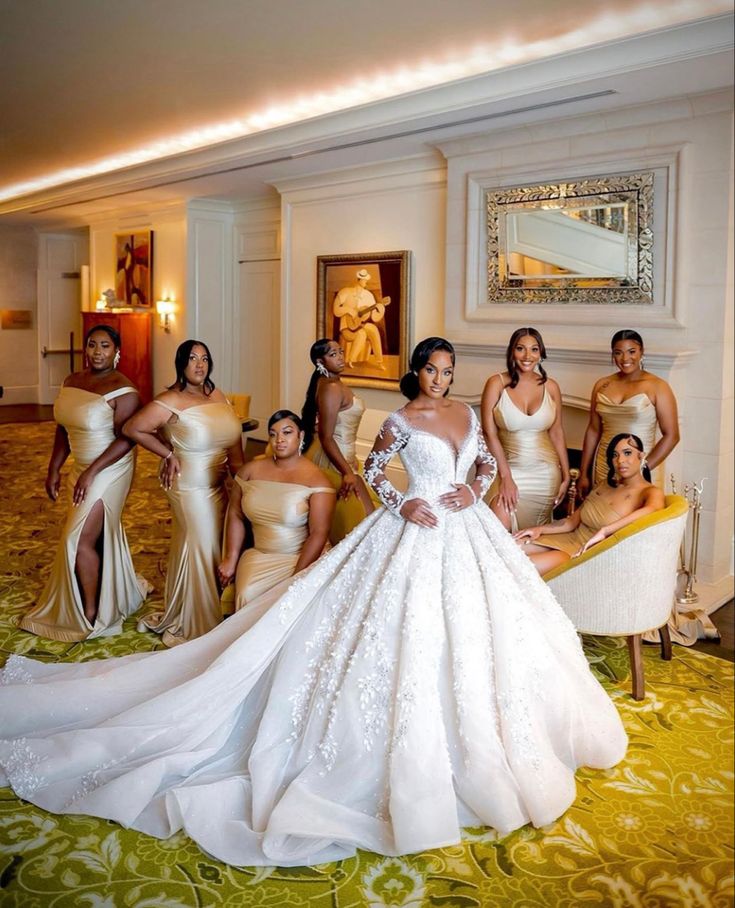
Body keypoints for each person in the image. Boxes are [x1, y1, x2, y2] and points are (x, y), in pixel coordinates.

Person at [0, 337, 627, 869]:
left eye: (448, 369)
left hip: (465, 531)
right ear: (418, 372)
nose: (442, 378)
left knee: (484, 631)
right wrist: (403, 501)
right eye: (433, 369)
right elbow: (375, 471)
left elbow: (487, 462)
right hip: (415, 527)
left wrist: (471, 489)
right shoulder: (401, 420)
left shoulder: (464, 412)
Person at [19, 325, 145, 641]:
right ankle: (108, 591)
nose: (97, 352)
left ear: (118, 352)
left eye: (105, 346)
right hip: (80, 466)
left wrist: (92, 472)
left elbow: (127, 439)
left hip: (110, 468)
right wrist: (55, 469)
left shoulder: (124, 390)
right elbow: (63, 429)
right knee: (90, 534)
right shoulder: (72, 381)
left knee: (76, 539)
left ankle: (91, 613)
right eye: (92, 345)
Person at [123, 340, 243, 646]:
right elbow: (133, 428)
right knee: (201, 545)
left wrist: (241, 479)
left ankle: (200, 606)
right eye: (192, 359)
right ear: (181, 364)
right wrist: (167, 454)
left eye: (205, 359)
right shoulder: (170, 400)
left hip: (221, 483)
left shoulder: (216, 395)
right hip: (189, 485)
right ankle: (200, 622)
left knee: (213, 545)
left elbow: (232, 437)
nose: (200, 365)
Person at [217, 410, 335, 609]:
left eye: (287, 432)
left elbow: (318, 533)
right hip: (259, 555)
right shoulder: (249, 472)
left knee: (287, 600)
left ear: (301, 436)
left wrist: (298, 576)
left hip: (300, 558)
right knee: (247, 593)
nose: (279, 439)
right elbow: (235, 513)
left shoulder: (317, 480)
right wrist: (231, 557)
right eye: (273, 434)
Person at [516, 433, 665, 576]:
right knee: (506, 548)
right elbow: (571, 522)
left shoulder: (649, 492)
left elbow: (654, 509)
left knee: (514, 568)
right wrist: (539, 529)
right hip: (566, 538)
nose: (620, 460)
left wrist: (605, 531)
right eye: (615, 455)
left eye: (627, 453)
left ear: (641, 456)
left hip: (584, 553)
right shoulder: (604, 485)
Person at [481, 327, 570, 530]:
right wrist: (506, 477)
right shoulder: (496, 383)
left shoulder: (551, 387)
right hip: (509, 469)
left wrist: (566, 476)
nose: (528, 356)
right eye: (521, 348)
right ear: (512, 351)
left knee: (531, 535)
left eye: (534, 349)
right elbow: (489, 433)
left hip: (546, 474)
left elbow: (556, 432)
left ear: (541, 353)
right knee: (498, 529)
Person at [578, 329, 679, 498]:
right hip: (605, 467)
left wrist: (642, 468)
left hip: (642, 469)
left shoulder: (658, 386)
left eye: (632, 351)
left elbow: (672, 435)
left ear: (641, 352)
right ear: (613, 355)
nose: (625, 359)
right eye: (618, 353)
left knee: (637, 522)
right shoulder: (602, 385)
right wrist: (584, 473)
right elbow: (593, 431)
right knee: (603, 518)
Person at [301, 338, 375, 543]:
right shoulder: (331, 387)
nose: (341, 358)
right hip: (333, 461)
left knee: (360, 523)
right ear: (320, 361)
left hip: (343, 456)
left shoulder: (331, 384)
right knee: (360, 526)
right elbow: (326, 436)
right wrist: (347, 472)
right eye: (333, 354)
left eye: (341, 352)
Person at [332, 268, 387, 369]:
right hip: (347, 327)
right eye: (364, 279)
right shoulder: (345, 292)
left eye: (366, 279)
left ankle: (379, 361)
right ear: (358, 279)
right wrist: (349, 310)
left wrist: (380, 310)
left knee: (373, 329)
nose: (366, 281)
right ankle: (350, 360)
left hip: (360, 325)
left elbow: (374, 318)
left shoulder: (369, 295)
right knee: (361, 334)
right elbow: (336, 310)